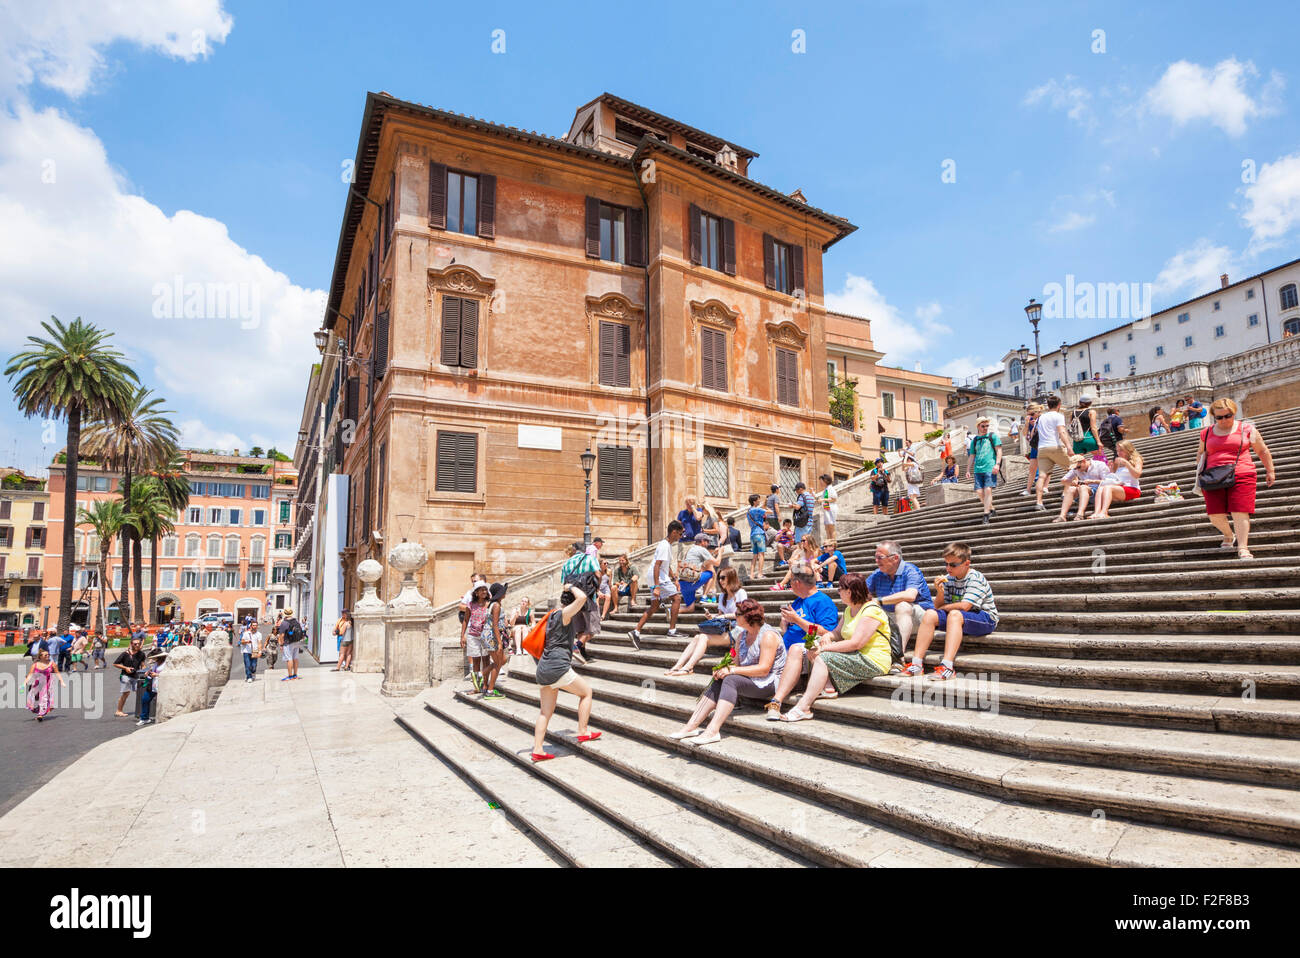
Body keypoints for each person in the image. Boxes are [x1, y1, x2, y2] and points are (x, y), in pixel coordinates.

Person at [668, 599, 786, 746]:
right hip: (752, 678)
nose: (734, 616)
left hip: (770, 681)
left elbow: (764, 669)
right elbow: (736, 664)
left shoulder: (768, 635)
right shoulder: (742, 636)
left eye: (737, 614)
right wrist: (723, 669)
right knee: (721, 678)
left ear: (748, 616)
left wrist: (732, 670)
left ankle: (712, 730)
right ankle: (690, 726)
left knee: (730, 679)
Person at [781, 574, 892, 722]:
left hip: (872, 659)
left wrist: (824, 646)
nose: (838, 591)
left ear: (849, 592)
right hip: (851, 653)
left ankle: (804, 706)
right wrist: (828, 637)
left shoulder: (870, 610)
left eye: (840, 589)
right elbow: (837, 632)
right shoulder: (848, 609)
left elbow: (853, 642)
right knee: (811, 644)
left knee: (819, 653)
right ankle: (827, 688)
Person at [1195, 398, 1276, 561]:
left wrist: (1270, 470)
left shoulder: (1246, 429)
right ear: (1213, 417)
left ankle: (1243, 547)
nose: (1224, 420)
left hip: (1242, 472)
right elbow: (1201, 453)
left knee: (1240, 511)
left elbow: (1262, 451)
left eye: (1228, 416)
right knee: (1214, 515)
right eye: (1219, 417)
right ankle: (1228, 534)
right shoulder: (1207, 432)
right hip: (1213, 476)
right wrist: (1199, 471)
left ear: (1234, 413)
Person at [903, 542, 998, 680]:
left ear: (966, 563)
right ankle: (917, 664)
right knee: (930, 615)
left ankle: (947, 667)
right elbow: (937, 608)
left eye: (953, 565)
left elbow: (965, 606)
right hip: (960, 617)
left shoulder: (975, 578)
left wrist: (944, 608)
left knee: (954, 614)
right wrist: (940, 591)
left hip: (985, 618)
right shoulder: (949, 579)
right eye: (946, 564)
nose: (948, 568)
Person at [531, 584, 600, 762]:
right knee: (586, 693)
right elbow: (583, 598)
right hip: (557, 667)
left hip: (543, 668)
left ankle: (538, 749)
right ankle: (583, 731)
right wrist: (571, 586)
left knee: (545, 712)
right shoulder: (564, 614)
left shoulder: (551, 615)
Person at [765, 563, 841, 721]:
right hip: (785, 651)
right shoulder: (797, 601)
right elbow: (788, 630)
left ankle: (776, 701)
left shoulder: (822, 601)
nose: (788, 584)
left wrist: (797, 620)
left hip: (804, 654)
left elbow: (827, 632)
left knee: (795, 649)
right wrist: (785, 623)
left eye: (790, 581)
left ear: (797, 583)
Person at [665, 567, 748, 676]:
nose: (720, 581)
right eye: (719, 578)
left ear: (731, 578)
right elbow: (719, 616)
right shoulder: (723, 595)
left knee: (703, 637)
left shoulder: (740, 593)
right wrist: (711, 617)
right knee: (697, 637)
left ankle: (688, 667)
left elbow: (742, 614)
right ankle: (678, 665)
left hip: (737, 630)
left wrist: (723, 616)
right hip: (725, 628)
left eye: (723, 578)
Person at [866, 540, 934, 667]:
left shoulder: (911, 570)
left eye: (880, 557)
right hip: (892, 617)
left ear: (895, 558)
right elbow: (861, 593)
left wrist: (879, 600)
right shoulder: (878, 574)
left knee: (902, 605)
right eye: (875, 557)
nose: (876, 561)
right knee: (867, 608)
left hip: (919, 619)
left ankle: (897, 656)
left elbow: (910, 595)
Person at [627, 520, 684, 650]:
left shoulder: (666, 545)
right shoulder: (665, 546)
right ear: (674, 532)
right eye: (679, 534)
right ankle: (672, 630)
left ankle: (636, 631)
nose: (680, 537)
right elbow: (657, 565)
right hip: (658, 578)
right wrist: (657, 586)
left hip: (655, 577)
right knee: (677, 598)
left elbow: (666, 565)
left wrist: (674, 578)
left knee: (654, 606)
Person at [1034, 395, 1072, 512]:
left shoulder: (1040, 418)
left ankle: (1039, 502)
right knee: (1072, 468)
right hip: (1054, 446)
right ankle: (1065, 493)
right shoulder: (1058, 416)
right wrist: (1069, 447)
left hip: (1042, 448)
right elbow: (1061, 431)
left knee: (1041, 476)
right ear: (1059, 405)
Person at [1092, 440, 1145, 518]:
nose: (1118, 453)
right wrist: (1110, 469)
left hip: (1133, 489)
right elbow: (1114, 476)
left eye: (1121, 450)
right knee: (1101, 488)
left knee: (1107, 487)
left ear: (1128, 449)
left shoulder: (1136, 459)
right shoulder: (1117, 461)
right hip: (1120, 488)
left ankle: (1104, 512)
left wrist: (1127, 464)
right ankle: (1096, 512)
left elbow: (1137, 475)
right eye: (1117, 450)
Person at [1054, 453, 1110, 522]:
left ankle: (1080, 514)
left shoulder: (1099, 465)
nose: (1078, 470)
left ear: (1083, 461)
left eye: (1079, 467)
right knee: (1071, 489)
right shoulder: (1076, 469)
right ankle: (1062, 516)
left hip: (1099, 493)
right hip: (1084, 492)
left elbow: (1108, 482)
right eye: (1075, 468)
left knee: (1083, 487)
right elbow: (1063, 480)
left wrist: (1092, 481)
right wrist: (1072, 482)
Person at [966, 417, 1002, 523]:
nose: (985, 428)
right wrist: (968, 469)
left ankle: (986, 514)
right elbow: (972, 455)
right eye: (983, 426)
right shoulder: (975, 440)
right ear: (978, 426)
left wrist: (997, 464)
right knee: (979, 492)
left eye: (987, 426)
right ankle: (992, 508)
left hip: (990, 468)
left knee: (988, 490)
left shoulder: (993, 436)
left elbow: (999, 451)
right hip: (978, 469)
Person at [460, 583, 493, 692]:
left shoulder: (489, 604)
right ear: (476, 593)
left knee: (486, 660)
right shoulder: (470, 605)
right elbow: (465, 620)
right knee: (476, 662)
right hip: (473, 636)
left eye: (485, 590)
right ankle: (476, 687)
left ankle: (485, 684)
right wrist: (462, 636)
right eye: (481, 590)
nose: (484, 592)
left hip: (486, 635)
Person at [678, 534, 720, 611]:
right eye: (707, 541)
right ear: (702, 541)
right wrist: (720, 552)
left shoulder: (690, 549)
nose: (708, 544)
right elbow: (717, 563)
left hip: (683, 583)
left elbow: (704, 561)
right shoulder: (702, 549)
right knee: (712, 574)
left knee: (690, 608)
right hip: (692, 581)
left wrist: (714, 553)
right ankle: (704, 597)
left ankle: (671, 611)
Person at [482, 582, 509, 699]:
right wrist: (499, 643)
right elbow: (495, 625)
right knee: (498, 663)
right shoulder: (496, 606)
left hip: (488, 635)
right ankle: (490, 690)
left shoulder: (493, 604)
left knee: (502, 660)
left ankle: (482, 673)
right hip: (492, 637)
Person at [25, 648, 65, 721]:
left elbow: (57, 673)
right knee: (31, 698)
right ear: (40, 656)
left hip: (47, 684)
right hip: (36, 684)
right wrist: (24, 683)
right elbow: (30, 675)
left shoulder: (52, 664)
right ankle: (40, 710)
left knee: (44, 698)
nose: (48, 656)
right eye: (45, 655)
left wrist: (62, 681)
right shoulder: (35, 665)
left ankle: (40, 714)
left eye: (48, 655)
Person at [113, 635, 146, 717]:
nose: (137, 645)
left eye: (139, 643)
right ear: (131, 644)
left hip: (136, 675)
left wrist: (145, 671)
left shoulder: (141, 654)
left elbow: (142, 665)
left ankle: (141, 710)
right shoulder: (125, 654)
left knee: (139, 693)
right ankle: (119, 711)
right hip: (125, 675)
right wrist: (125, 668)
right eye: (135, 644)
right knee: (126, 693)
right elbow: (115, 664)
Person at [136, 649, 166, 726]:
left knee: (162, 701)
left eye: (154, 657)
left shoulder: (166, 663)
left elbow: (168, 674)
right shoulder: (156, 663)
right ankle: (144, 718)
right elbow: (152, 669)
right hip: (153, 684)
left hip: (162, 684)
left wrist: (157, 675)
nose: (153, 659)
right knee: (145, 699)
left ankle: (163, 717)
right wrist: (148, 672)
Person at [277, 608, 306, 682]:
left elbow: (282, 635)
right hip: (297, 641)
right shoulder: (296, 621)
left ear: (285, 613)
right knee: (295, 658)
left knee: (289, 659)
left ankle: (290, 676)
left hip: (288, 642)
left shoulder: (284, 622)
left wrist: (281, 644)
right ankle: (295, 674)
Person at [1071, 395, 1103, 460]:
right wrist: (1098, 441)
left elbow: (1072, 427)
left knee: (1077, 462)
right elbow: (1093, 428)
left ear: (1079, 402)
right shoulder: (1091, 412)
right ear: (1090, 403)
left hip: (1077, 441)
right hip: (1088, 437)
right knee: (1100, 458)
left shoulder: (1073, 413)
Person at [746, 493, 769, 579]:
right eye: (758, 499)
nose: (759, 501)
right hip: (760, 533)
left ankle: (751, 574)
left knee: (755, 555)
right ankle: (760, 574)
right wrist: (766, 507)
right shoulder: (757, 510)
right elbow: (770, 512)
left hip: (752, 534)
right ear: (754, 501)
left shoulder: (749, 511)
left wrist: (764, 503)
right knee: (761, 555)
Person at [1021, 403, 1042, 496]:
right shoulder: (1030, 421)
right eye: (1029, 414)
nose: (1030, 416)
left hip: (1044, 444)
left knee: (1045, 467)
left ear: (1038, 412)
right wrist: (1027, 423)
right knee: (1032, 468)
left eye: (1032, 414)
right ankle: (1028, 489)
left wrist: (1036, 425)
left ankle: (1043, 486)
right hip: (1035, 446)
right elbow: (1025, 434)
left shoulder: (1043, 419)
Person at [818, 474, 839, 541]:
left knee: (831, 527)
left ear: (826, 480)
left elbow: (834, 499)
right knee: (827, 527)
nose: (820, 483)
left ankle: (833, 543)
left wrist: (823, 500)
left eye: (821, 481)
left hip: (831, 509)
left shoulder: (830, 488)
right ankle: (829, 543)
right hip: (826, 509)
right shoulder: (825, 490)